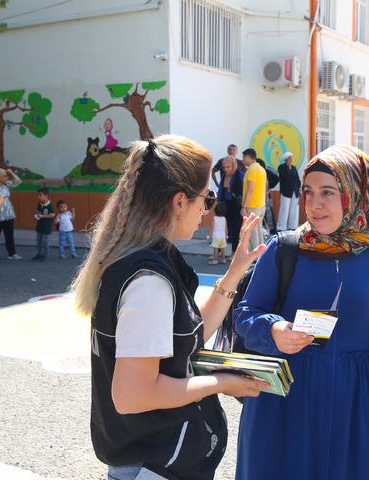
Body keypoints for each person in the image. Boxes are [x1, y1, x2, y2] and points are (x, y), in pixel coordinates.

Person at [71, 135, 267, 480]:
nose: (207, 210)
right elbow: (134, 395)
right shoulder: (148, 283)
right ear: (180, 202)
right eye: (206, 198)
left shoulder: (146, 260)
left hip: (153, 461)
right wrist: (222, 382)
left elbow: (187, 337)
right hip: (153, 467)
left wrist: (234, 272)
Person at [234, 144, 369, 480]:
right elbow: (246, 314)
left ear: (355, 194)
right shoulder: (285, 249)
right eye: (308, 192)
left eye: (328, 192)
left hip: (357, 404)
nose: (314, 204)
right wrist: (275, 330)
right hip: (284, 403)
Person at [216, 155, 244, 256]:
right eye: (224, 167)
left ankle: (234, 253)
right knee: (221, 230)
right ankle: (219, 252)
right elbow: (220, 191)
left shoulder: (240, 175)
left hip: (236, 206)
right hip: (225, 206)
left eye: (228, 167)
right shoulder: (224, 176)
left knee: (236, 230)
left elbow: (244, 191)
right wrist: (218, 203)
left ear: (233, 165)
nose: (226, 169)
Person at [242, 148, 267, 250]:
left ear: (248, 157)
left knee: (252, 231)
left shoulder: (252, 170)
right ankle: (261, 253)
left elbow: (250, 189)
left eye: (243, 157)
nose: (243, 160)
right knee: (258, 230)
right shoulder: (261, 169)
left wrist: (244, 206)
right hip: (261, 204)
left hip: (252, 205)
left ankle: (255, 256)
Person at [277, 152, 301, 231]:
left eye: (292, 158)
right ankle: (281, 227)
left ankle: (293, 226)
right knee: (284, 209)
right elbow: (283, 178)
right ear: (286, 159)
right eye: (290, 158)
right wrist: (288, 167)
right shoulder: (281, 167)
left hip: (295, 191)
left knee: (294, 209)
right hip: (286, 192)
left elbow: (297, 179)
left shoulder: (294, 168)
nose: (292, 160)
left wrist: (299, 188)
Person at [33, 187, 54, 261]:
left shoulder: (50, 205)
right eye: (38, 195)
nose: (38, 197)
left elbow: (52, 215)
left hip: (46, 226)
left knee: (45, 242)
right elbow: (38, 211)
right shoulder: (40, 203)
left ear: (46, 195)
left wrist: (43, 216)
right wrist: (37, 214)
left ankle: (46, 256)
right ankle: (39, 254)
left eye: (40, 195)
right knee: (38, 241)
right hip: (39, 225)